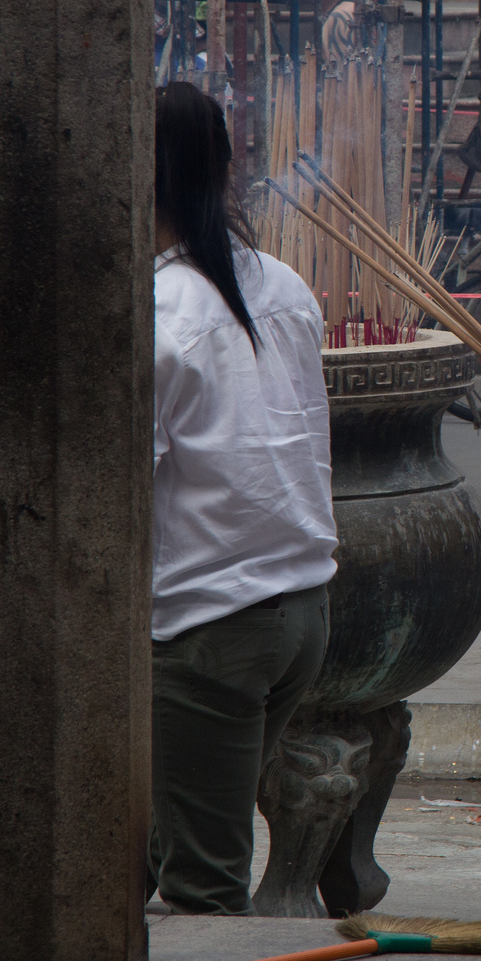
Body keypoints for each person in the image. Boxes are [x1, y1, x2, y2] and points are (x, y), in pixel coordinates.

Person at [147, 82, 339, 914]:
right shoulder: (287, 286)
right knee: (164, 830)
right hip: (301, 610)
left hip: (212, 625)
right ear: (226, 170)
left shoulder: (157, 311)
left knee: (203, 889)